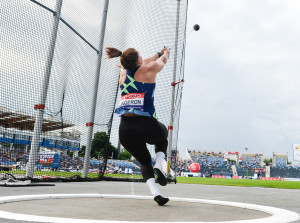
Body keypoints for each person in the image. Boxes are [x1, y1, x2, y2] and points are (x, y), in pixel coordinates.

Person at [105, 47, 170, 206]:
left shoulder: (122, 72)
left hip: (125, 130)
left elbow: (142, 62)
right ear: (139, 60)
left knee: (144, 162)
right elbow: (161, 63)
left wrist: (157, 53)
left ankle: (156, 193)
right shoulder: (150, 68)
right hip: (146, 124)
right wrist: (165, 54)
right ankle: (159, 166)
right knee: (163, 137)